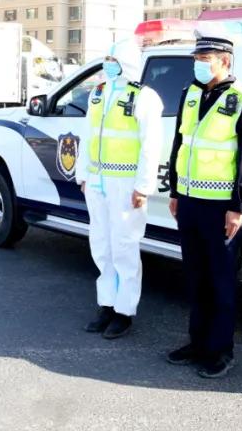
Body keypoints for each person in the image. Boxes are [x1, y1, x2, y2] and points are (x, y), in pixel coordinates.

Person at [165, 33, 242, 378]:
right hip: (189, 201)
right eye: (197, 58)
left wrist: (240, 206)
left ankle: (220, 350)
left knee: (220, 280)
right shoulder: (190, 93)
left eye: (205, 58)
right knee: (195, 277)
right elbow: (180, 143)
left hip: (221, 206)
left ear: (225, 61)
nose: (199, 64)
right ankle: (197, 342)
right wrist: (175, 191)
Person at [74, 38, 163, 339]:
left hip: (125, 183)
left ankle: (124, 311)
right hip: (97, 181)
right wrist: (83, 173)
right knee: (101, 243)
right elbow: (87, 135)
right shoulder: (99, 93)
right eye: (106, 57)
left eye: (113, 58)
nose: (107, 63)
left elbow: (151, 145)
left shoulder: (144, 96)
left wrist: (143, 186)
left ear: (125, 62)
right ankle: (106, 305)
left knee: (124, 246)